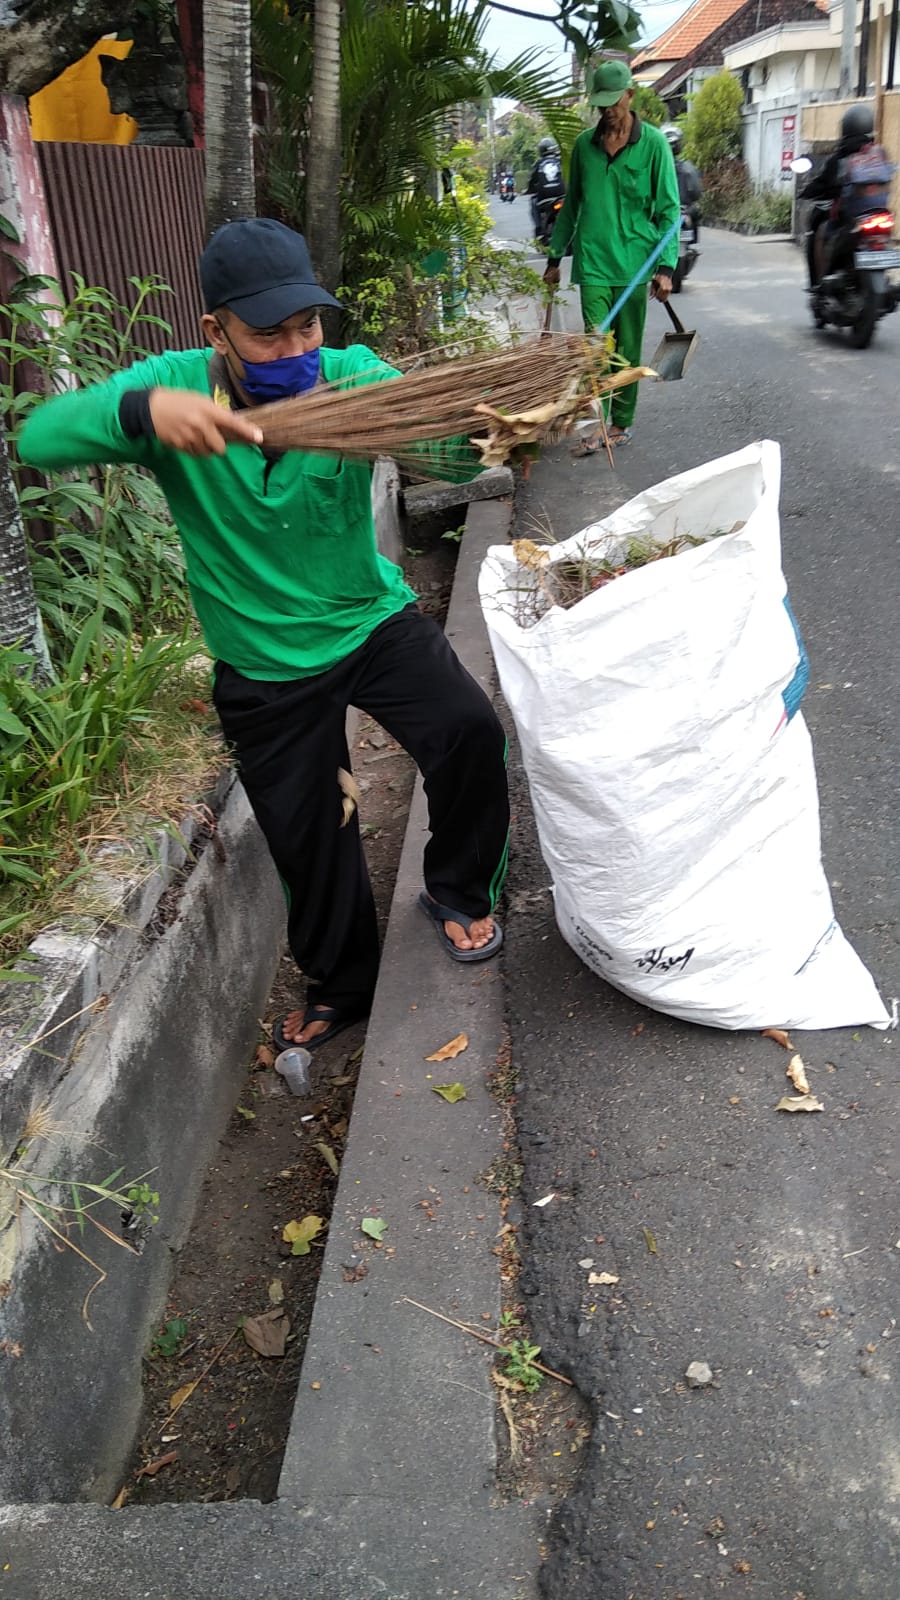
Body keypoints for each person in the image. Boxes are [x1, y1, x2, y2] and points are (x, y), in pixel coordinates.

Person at [18, 218, 510, 1051]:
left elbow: (451, 456)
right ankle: (343, 983)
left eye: (308, 325)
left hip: (368, 618)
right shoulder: (180, 388)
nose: (297, 346)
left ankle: (458, 890)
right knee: (309, 830)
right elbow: (39, 435)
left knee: (468, 729)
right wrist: (143, 411)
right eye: (269, 332)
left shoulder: (353, 379)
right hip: (263, 660)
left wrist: (487, 429)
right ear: (217, 331)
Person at [543, 59, 681, 451]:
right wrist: (555, 258)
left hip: (637, 264)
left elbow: (670, 210)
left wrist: (666, 267)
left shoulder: (653, 144)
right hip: (594, 262)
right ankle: (593, 421)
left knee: (627, 348)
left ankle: (621, 423)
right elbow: (572, 207)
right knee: (594, 345)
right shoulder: (584, 147)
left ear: (630, 95)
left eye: (613, 102)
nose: (607, 111)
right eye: (600, 103)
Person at [799, 103, 876, 287]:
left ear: (847, 127)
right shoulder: (877, 154)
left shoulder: (841, 157)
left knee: (821, 233)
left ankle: (820, 283)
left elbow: (823, 182)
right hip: (877, 213)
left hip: (849, 216)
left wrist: (806, 192)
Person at [661, 122, 702, 239]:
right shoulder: (689, 167)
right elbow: (697, 193)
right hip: (683, 211)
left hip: (668, 212)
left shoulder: (655, 167)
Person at [526, 136, 566, 240]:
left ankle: (539, 229)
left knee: (533, 203)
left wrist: (528, 190)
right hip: (561, 194)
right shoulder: (560, 161)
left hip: (544, 196)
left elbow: (532, 180)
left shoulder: (539, 163)